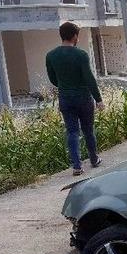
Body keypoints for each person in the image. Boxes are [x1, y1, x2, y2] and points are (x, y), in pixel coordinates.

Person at [46, 22, 104, 176]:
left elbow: (52, 78)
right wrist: (98, 99)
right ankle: (93, 158)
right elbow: (89, 78)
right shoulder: (81, 55)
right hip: (83, 97)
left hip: (65, 98)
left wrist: (64, 85)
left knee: (72, 131)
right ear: (74, 36)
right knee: (88, 129)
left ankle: (77, 166)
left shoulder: (51, 55)